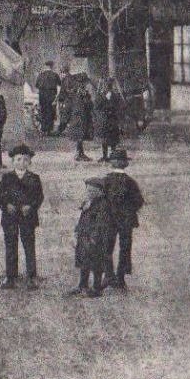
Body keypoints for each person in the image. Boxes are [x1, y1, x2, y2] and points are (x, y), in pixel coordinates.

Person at [97, 147, 145, 292]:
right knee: (125, 248)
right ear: (125, 164)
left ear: (111, 163)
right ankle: (121, 277)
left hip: (109, 219)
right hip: (126, 220)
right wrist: (129, 210)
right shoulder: (130, 182)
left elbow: (100, 201)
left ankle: (108, 274)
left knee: (106, 246)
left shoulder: (105, 181)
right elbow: (139, 201)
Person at [0, 143, 43, 289]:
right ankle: (11, 276)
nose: (21, 163)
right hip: (10, 217)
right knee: (10, 245)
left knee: (29, 245)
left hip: (27, 217)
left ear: (29, 162)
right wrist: (6, 205)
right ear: (12, 161)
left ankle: (31, 276)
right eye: (18, 159)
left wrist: (31, 206)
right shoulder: (7, 178)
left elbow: (39, 196)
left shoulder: (34, 178)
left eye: (25, 160)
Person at [71, 176, 112, 298]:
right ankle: (82, 285)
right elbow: (82, 219)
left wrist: (94, 238)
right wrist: (77, 233)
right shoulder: (87, 203)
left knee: (96, 263)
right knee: (84, 261)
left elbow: (101, 224)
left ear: (100, 192)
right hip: (84, 237)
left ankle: (96, 287)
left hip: (95, 240)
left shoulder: (103, 205)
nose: (89, 193)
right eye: (88, 190)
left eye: (92, 191)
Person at [68, 71, 95, 162]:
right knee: (80, 135)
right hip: (81, 115)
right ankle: (79, 154)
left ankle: (80, 153)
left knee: (79, 135)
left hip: (76, 115)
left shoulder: (75, 91)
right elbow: (87, 104)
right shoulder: (82, 92)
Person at [34, 62, 60, 136]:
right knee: (51, 112)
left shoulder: (40, 75)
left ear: (45, 66)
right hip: (51, 95)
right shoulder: (55, 75)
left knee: (43, 111)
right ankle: (48, 130)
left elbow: (37, 86)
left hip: (42, 96)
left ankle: (43, 130)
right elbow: (59, 87)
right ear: (52, 66)